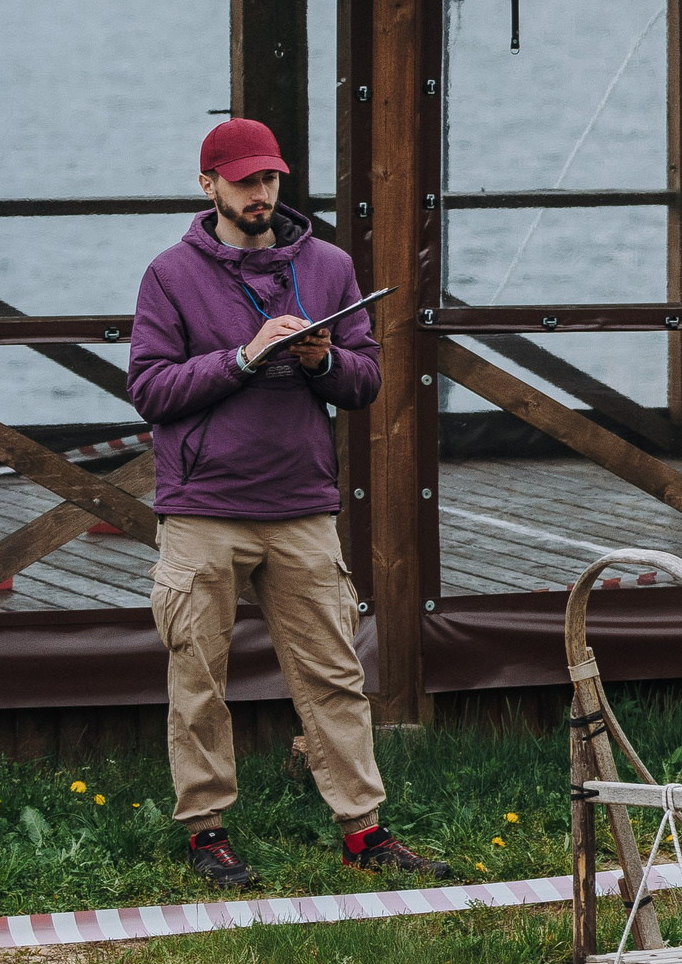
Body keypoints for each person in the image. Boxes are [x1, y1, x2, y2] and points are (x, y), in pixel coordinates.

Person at [127, 118, 448, 889]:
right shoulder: (169, 275)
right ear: (209, 186)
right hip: (202, 508)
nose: (262, 193)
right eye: (245, 181)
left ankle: (364, 832)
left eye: (271, 178)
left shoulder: (331, 266)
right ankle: (206, 832)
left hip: (302, 505)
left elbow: (366, 383)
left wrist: (323, 359)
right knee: (197, 677)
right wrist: (241, 359)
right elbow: (148, 389)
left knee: (335, 672)